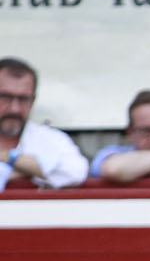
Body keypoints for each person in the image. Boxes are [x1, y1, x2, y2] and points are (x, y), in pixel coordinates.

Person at [0, 56, 87, 191]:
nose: (15, 109)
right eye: (5, 97)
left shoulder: (51, 138)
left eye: (23, 99)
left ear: (33, 100)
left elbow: (76, 172)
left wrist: (7, 157)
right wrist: (34, 170)